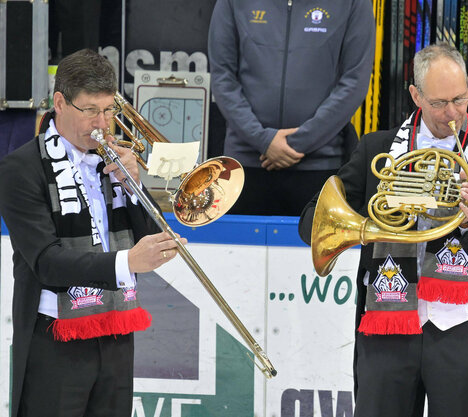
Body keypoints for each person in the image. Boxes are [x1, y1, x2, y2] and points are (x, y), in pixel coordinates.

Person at [299, 44, 468, 417]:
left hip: (460, 331)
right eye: (438, 103)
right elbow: (312, 222)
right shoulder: (377, 150)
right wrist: (362, 226)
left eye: (460, 99)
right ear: (416, 95)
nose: (451, 113)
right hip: (386, 326)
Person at [0, 49, 185, 417]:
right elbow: (46, 262)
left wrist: (134, 186)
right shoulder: (20, 168)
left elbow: (147, 231)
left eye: (109, 110)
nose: (102, 123)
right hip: (54, 338)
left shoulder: (113, 157)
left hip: (116, 331)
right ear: (59, 103)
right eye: (91, 110)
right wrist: (127, 262)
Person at [208, 0, 375, 216]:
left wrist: (297, 142)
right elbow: (223, 76)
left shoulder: (354, 3)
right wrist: (262, 140)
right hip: (244, 164)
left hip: (321, 165)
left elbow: (355, 81)